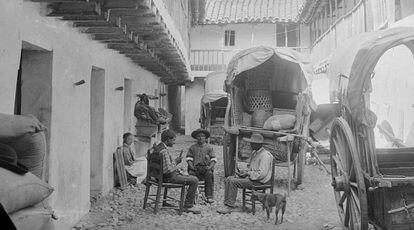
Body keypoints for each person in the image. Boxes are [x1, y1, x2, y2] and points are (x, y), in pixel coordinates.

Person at [217, 133, 274, 214]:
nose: (250, 145)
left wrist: (248, 174)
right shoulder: (255, 153)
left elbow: (262, 174)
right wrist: (244, 172)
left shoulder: (265, 156)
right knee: (229, 178)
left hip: (259, 181)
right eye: (251, 143)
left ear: (259, 144)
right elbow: (250, 168)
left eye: (252, 143)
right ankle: (227, 203)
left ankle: (229, 206)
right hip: (253, 178)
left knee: (233, 182)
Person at [153, 129, 201, 214]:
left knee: (186, 174)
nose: (174, 142)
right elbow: (167, 170)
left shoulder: (157, 148)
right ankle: (188, 206)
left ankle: (189, 203)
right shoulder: (164, 151)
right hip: (168, 178)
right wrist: (176, 162)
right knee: (194, 180)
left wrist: (176, 166)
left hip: (159, 177)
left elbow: (164, 166)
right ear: (168, 140)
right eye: (173, 140)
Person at [186, 128, 216, 203]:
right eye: (198, 136)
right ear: (196, 138)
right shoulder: (192, 147)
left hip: (205, 168)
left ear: (205, 138)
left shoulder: (209, 147)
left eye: (202, 136)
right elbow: (189, 159)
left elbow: (213, 159)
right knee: (191, 176)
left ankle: (209, 196)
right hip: (195, 168)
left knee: (209, 175)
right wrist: (191, 167)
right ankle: (191, 196)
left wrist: (209, 167)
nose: (200, 138)